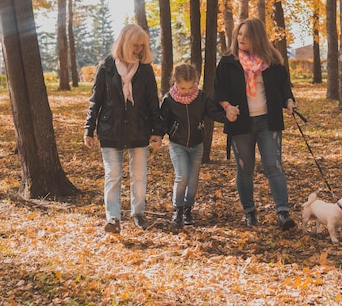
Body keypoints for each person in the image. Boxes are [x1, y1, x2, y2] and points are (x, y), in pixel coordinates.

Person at [213, 18, 297, 231]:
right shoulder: (228, 62)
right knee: (245, 168)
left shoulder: (273, 61)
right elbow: (219, 92)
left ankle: (282, 212)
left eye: (246, 35)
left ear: (257, 37)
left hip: (269, 121)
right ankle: (249, 212)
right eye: (239, 34)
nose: (241, 38)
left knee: (273, 165)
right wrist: (227, 107)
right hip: (241, 123)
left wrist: (289, 101)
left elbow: (284, 87)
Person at [84, 24, 164, 234]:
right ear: (125, 43)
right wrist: (88, 129)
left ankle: (138, 213)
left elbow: (152, 102)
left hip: (139, 128)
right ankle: (113, 218)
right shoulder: (106, 67)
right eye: (135, 45)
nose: (138, 50)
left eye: (141, 46)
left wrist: (157, 130)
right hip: (111, 129)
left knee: (139, 175)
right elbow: (96, 100)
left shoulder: (145, 69)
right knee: (113, 175)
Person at [161, 63, 232, 229]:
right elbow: (162, 121)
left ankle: (188, 209)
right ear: (175, 82)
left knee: (193, 181)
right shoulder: (169, 100)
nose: (186, 91)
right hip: (177, 144)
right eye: (183, 87)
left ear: (196, 82)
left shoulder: (201, 97)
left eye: (190, 87)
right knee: (182, 176)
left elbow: (213, 112)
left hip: (197, 145)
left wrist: (228, 116)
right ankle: (177, 209)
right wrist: (157, 135)